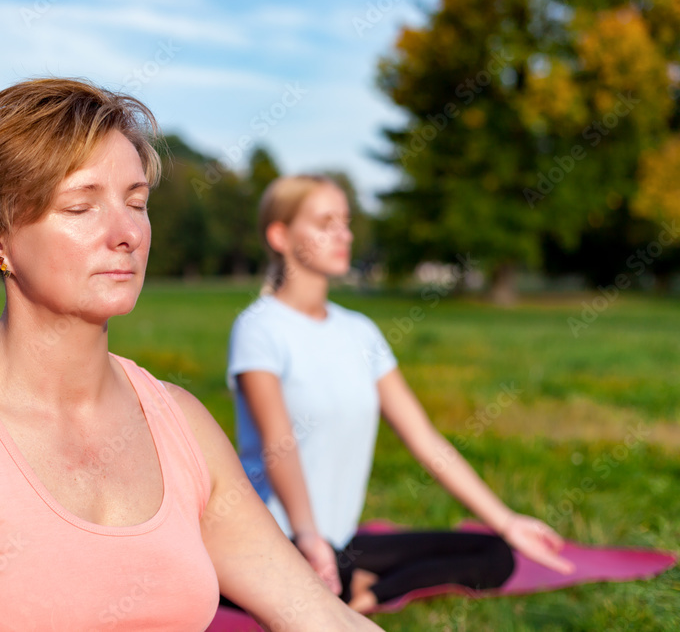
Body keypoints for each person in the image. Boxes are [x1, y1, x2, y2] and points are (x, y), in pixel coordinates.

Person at [0, 79, 381, 631]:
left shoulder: (180, 424)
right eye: (80, 206)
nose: (126, 234)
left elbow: (319, 617)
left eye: (136, 202)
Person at [228, 174, 575, 613]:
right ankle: (343, 586)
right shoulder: (259, 328)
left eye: (346, 221)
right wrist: (308, 536)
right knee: (306, 575)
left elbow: (425, 440)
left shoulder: (360, 331)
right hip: (274, 539)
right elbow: (281, 447)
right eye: (325, 222)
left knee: (495, 554)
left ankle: (363, 594)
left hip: (339, 543)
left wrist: (507, 521)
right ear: (279, 235)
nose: (344, 234)